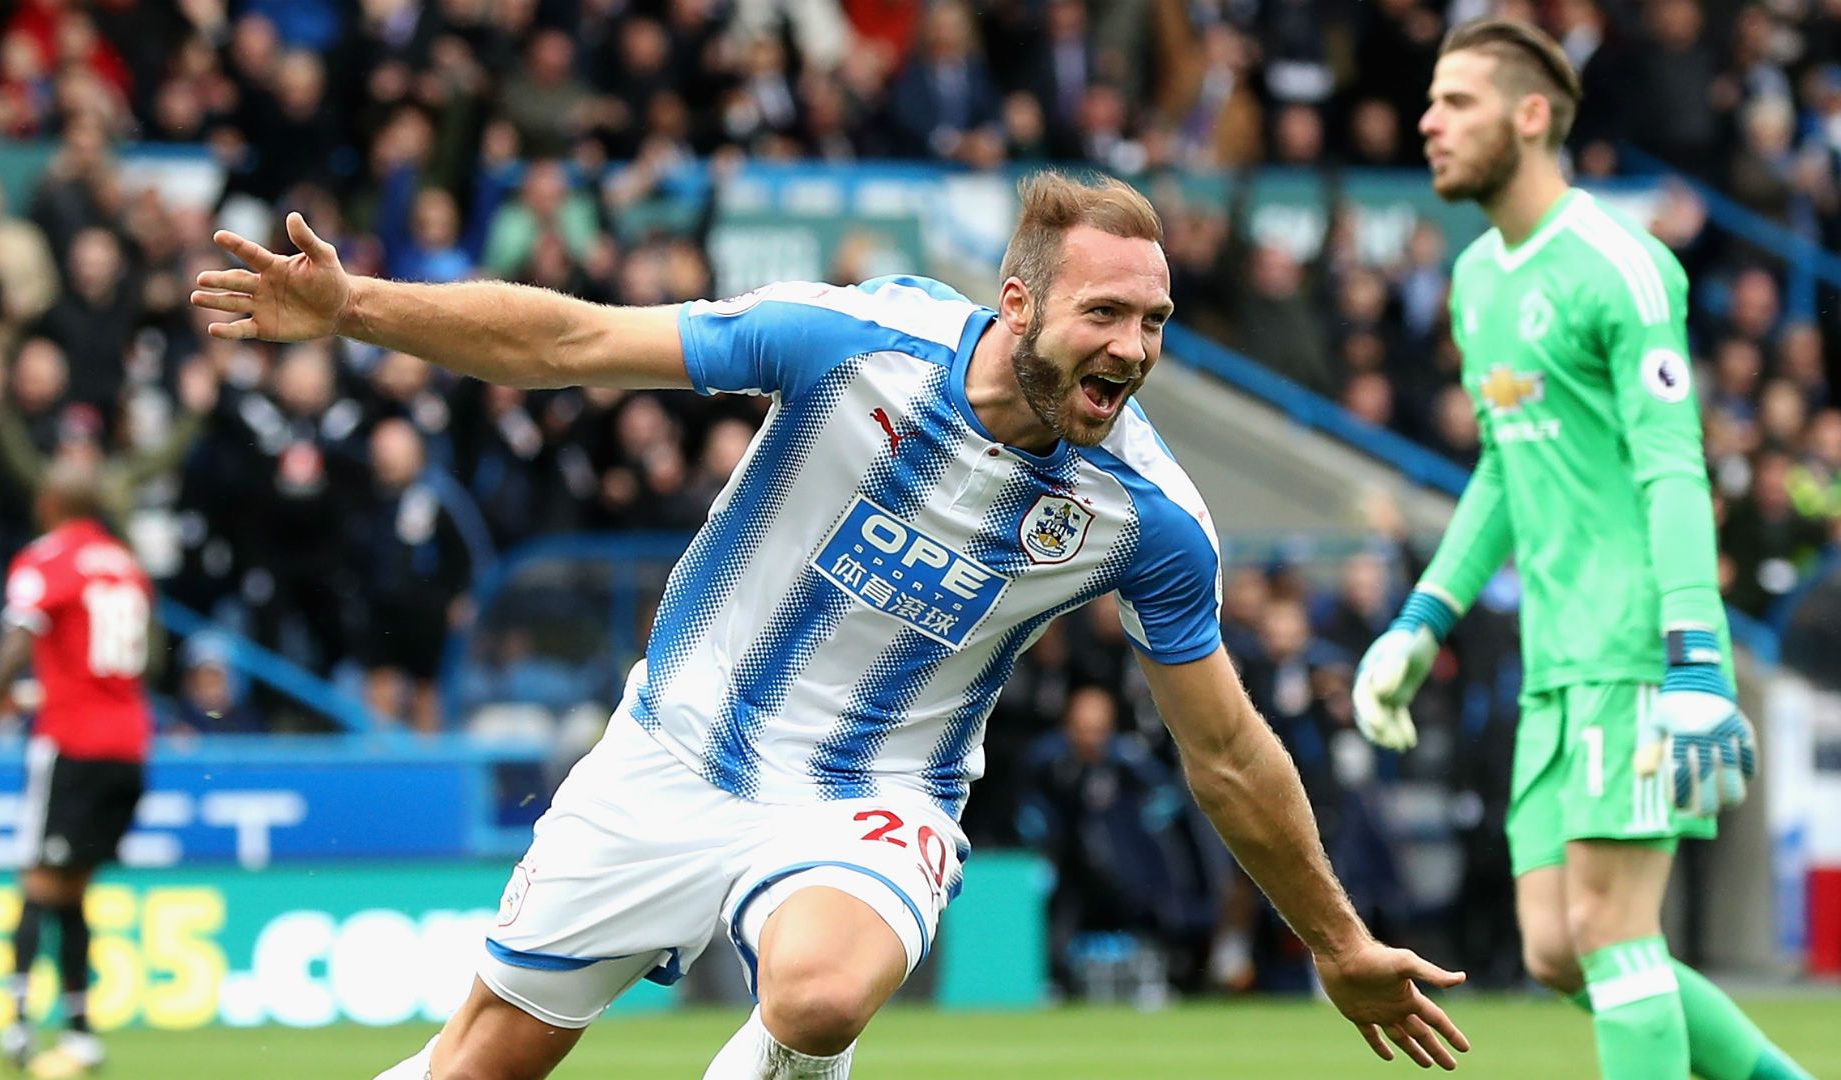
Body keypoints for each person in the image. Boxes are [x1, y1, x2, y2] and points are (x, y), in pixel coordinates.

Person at [194, 172, 1472, 1080]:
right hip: (670, 749)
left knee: (817, 994)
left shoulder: (1144, 518)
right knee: (483, 1064)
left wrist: (1339, 939)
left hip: (877, 789)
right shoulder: (856, 346)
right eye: (1107, 315)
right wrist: (356, 307)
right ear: (1019, 304)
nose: (1134, 349)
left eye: (1154, 324)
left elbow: (1229, 753)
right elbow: (574, 339)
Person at [1352, 19, 1811, 1080]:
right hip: (1556, 662)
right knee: (1559, 949)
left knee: (1611, 930)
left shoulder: (1622, 266)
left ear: (1530, 115)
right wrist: (1423, 621)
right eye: (1427, 101)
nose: (1428, 121)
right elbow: (1506, 470)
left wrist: (1697, 656)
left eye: (1455, 101)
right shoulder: (1476, 281)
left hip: (1637, 644)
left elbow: (1673, 466)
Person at [0, 459, 154, 1076]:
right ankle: (82, 1033)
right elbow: (126, 662)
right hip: (128, 745)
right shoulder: (125, 564)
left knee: (37, 882)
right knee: (73, 889)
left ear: (47, 503)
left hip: (71, 746)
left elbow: (18, 635)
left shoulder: (47, 560)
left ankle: (17, 1025)